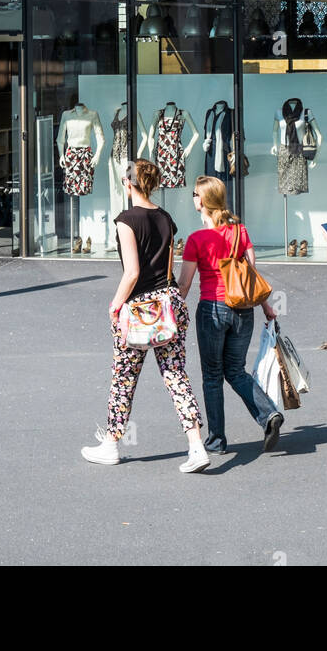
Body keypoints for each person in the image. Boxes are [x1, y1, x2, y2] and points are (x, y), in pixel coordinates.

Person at [81, 159, 210, 473]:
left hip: (139, 308)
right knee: (176, 375)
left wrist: (114, 305)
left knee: (124, 378)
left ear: (128, 183)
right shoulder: (166, 218)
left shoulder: (126, 220)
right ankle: (196, 446)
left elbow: (132, 272)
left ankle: (111, 443)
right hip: (169, 303)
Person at [177, 175, 284, 454]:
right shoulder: (240, 232)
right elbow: (251, 276)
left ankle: (216, 440)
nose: (193, 198)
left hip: (213, 309)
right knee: (235, 370)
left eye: (194, 193)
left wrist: (172, 311)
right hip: (243, 309)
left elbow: (185, 283)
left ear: (201, 200)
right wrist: (266, 306)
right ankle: (268, 414)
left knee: (213, 375)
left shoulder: (197, 239)